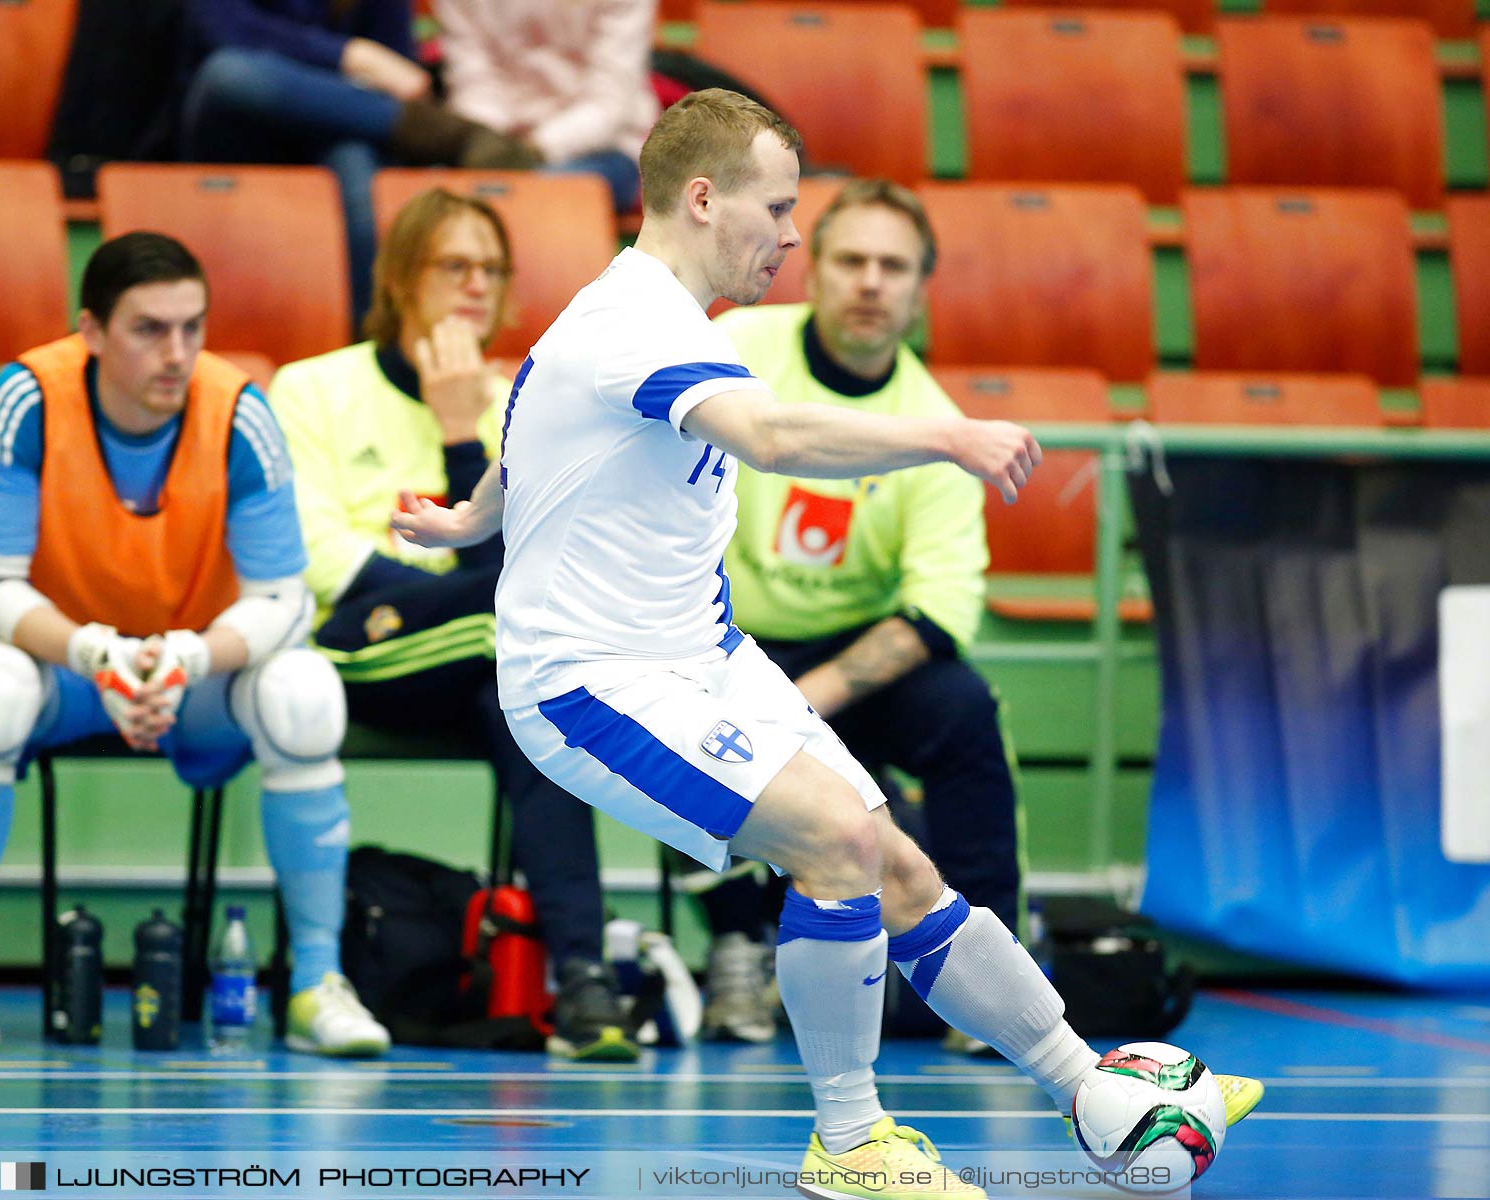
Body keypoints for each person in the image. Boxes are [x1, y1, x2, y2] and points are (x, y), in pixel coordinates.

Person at [391, 91, 1260, 1195]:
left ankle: (1096, 1089)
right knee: (836, 845)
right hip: (590, 686)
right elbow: (773, 434)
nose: (794, 235)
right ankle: (849, 1143)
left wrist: (473, 518)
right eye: (779, 207)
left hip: (703, 656)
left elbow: (532, 430)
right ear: (703, 200)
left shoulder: (638, 320)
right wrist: (942, 434)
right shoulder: (635, 326)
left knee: (896, 865)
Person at [0, 231, 389, 1059]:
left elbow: (282, 599)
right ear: (91, 331)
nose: (177, 353)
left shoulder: (241, 409)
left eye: (192, 327)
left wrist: (189, 657)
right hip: (58, 667)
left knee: (307, 694)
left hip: (191, 672)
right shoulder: (25, 397)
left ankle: (318, 982)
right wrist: (97, 654)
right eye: (149, 330)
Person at [269, 188, 637, 1061]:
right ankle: (590, 968)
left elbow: (513, 572)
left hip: (478, 665)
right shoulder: (314, 388)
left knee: (528, 697)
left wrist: (458, 432)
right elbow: (317, 552)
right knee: (523, 644)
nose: (477, 285)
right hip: (347, 657)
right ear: (400, 279)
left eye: (493, 270)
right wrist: (459, 593)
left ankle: (579, 977)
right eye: (454, 265)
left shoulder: (520, 404)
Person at [696, 180, 1020, 1048]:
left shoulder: (939, 425)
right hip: (731, 631)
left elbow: (943, 607)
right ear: (812, 268)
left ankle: (985, 983)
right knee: (682, 700)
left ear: (919, 289)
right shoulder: (738, 347)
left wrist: (805, 700)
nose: (871, 282)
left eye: (893, 266)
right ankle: (735, 947)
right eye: (851, 261)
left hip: (857, 657)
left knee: (962, 708)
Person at [177, 0, 538, 328]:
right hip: (241, 131)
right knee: (232, 73)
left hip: (343, 127)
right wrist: (351, 55)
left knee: (355, 161)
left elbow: (404, 74)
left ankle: (371, 339)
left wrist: (345, 82)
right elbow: (223, 33)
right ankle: (449, 135)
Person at [433, 0, 659, 212]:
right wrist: (486, 141)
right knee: (431, 190)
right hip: (497, 141)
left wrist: (535, 148)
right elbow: (473, 82)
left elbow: (610, 102)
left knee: (531, 197)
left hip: (605, 148)